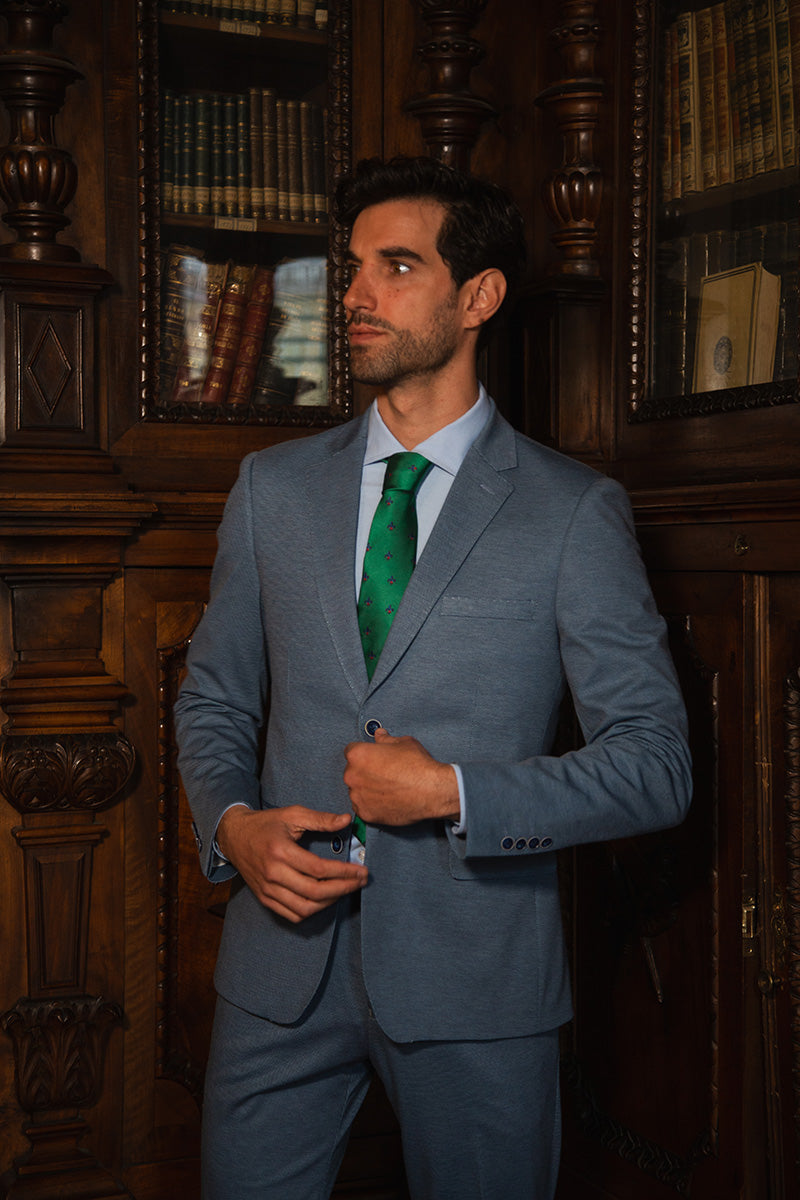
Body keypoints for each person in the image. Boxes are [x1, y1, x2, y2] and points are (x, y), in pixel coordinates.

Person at [175, 155, 692, 1200]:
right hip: (278, 974)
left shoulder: (571, 512)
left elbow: (655, 767)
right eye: (354, 265)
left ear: (478, 296)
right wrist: (232, 826)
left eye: (397, 265)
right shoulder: (271, 490)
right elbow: (213, 698)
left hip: (476, 983)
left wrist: (453, 793)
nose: (356, 294)